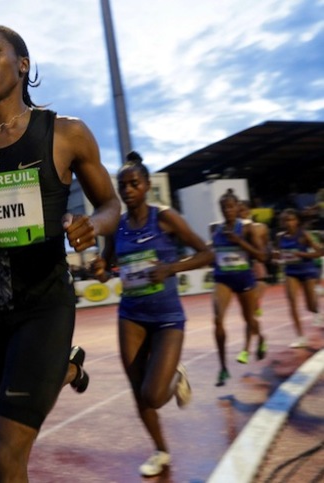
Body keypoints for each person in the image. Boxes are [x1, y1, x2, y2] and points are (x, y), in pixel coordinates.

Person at [0, 25, 120, 481]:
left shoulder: (65, 133)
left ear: (22, 64)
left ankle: (61, 360)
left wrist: (92, 225)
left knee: (4, 450)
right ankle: (69, 368)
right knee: (11, 429)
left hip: (45, 304)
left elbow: (111, 204)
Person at [90, 152, 214, 477]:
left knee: (154, 395)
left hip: (167, 317)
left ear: (146, 186)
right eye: (123, 186)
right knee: (138, 393)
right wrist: (101, 269)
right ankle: (160, 450)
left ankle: (175, 375)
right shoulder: (116, 227)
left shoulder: (165, 217)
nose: (128, 190)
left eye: (134, 184)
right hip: (131, 315)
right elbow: (109, 269)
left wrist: (171, 268)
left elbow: (207, 253)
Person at [210, 190, 268, 387]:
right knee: (217, 320)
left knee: (249, 319)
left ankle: (260, 338)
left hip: (244, 279)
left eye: (231, 206)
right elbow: (212, 252)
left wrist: (239, 241)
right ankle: (223, 368)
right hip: (222, 280)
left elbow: (261, 256)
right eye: (224, 207)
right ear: (221, 209)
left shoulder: (248, 229)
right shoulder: (215, 229)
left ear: (237, 207)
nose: (228, 210)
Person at [273, 208, 323, 345]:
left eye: (291, 220)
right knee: (292, 302)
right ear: (282, 223)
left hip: (307, 271)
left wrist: (302, 255)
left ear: (297, 221)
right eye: (285, 220)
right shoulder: (280, 237)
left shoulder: (304, 235)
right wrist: (276, 257)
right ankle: (300, 337)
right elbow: (278, 253)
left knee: (310, 306)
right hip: (291, 272)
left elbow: (320, 252)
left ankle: (317, 310)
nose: (288, 223)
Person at [239, 200, 271, 316]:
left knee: (261, 284)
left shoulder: (261, 227)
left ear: (248, 211)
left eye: (243, 210)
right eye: (239, 211)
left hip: (256, 262)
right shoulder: (234, 229)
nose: (240, 213)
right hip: (241, 263)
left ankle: (255, 305)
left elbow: (266, 244)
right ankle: (253, 307)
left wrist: (267, 253)